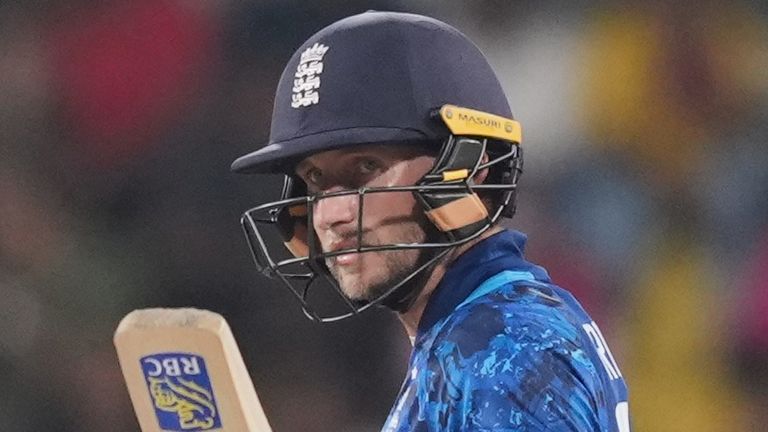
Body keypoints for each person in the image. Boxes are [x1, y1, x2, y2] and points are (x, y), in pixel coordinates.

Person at [232, 11, 630, 431]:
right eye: (315, 180)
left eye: (366, 167)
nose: (332, 214)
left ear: (470, 169)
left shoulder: (501, 349)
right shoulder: (476, 333)